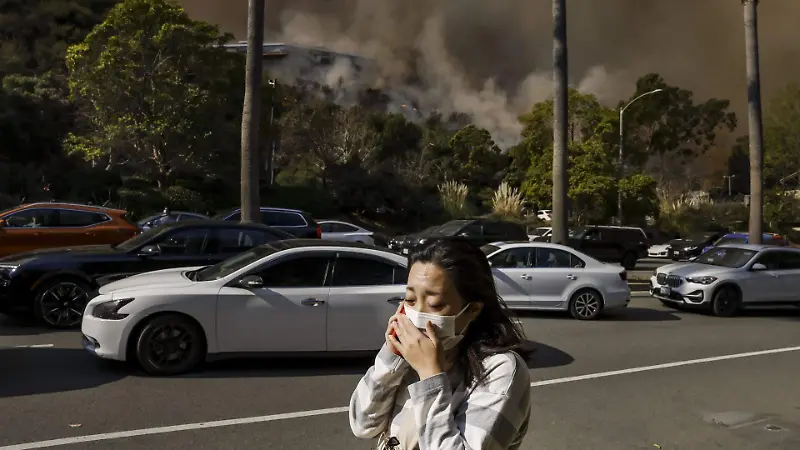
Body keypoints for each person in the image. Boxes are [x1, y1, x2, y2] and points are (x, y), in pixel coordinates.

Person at [349, 237, 532, 450]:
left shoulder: (501, 370)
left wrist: (430, 377)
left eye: (435, 305)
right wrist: (391, 359)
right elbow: (363, 425)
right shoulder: (406, 358)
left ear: (473, 310)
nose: (417, 314)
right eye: (409, 300)